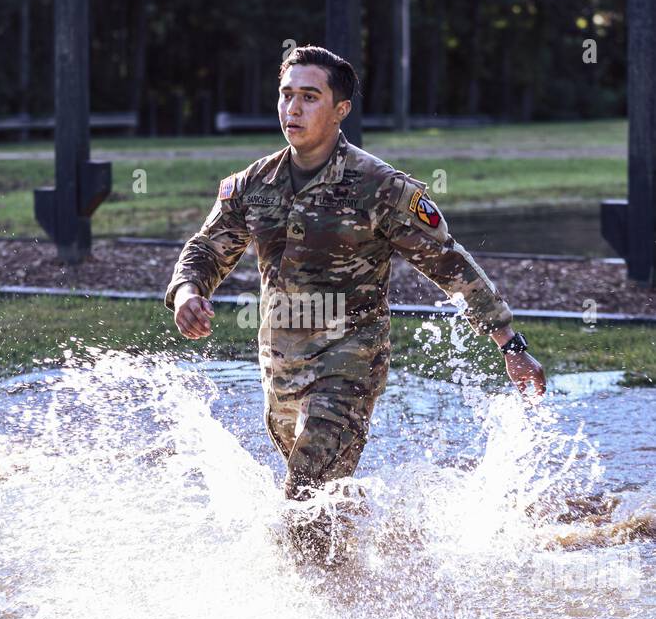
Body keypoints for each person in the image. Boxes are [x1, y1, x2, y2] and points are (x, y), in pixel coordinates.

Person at [166, 44, 546, 515]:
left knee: (302, 494)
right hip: (281, 365)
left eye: (309, 96)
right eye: (287, 95)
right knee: (322, 503)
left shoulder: (379, 186)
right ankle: (374, 551)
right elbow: (206, 248)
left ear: (340, 109)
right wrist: (189, 291)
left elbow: (447, 262)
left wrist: (509, 343)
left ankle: (297, 585)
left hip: (351, 360)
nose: (293, 108)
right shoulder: (252, 184)